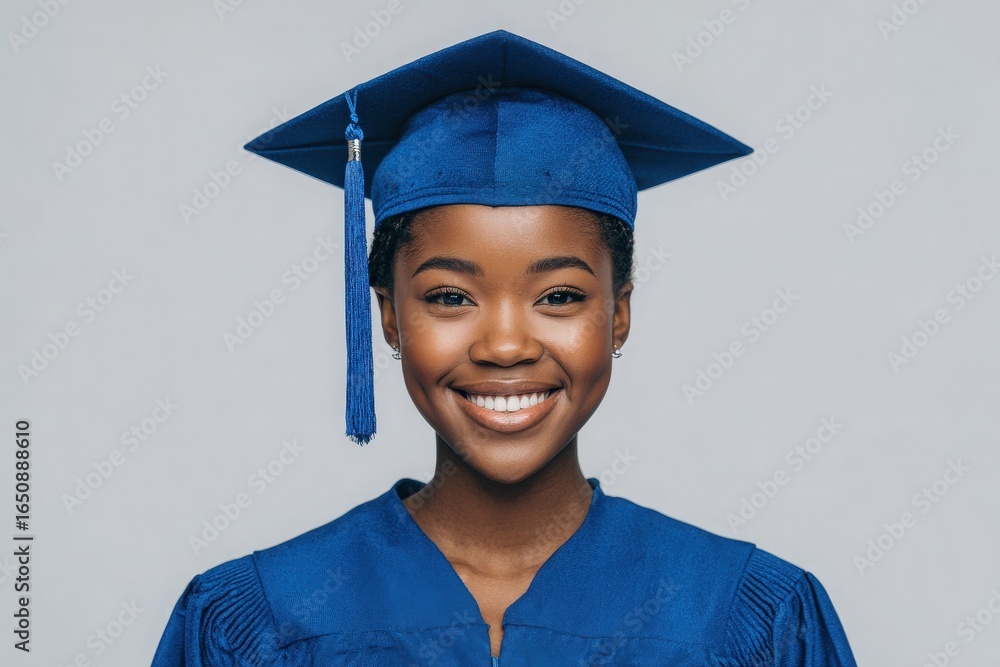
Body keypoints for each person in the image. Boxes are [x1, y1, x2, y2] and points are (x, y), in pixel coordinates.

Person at [151, 30, 857, 665]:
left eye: (559, 296)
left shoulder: (747, 621)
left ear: (620, 314)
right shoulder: (257, 623)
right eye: (450, 297)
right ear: (389, 317)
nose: (506, 344)